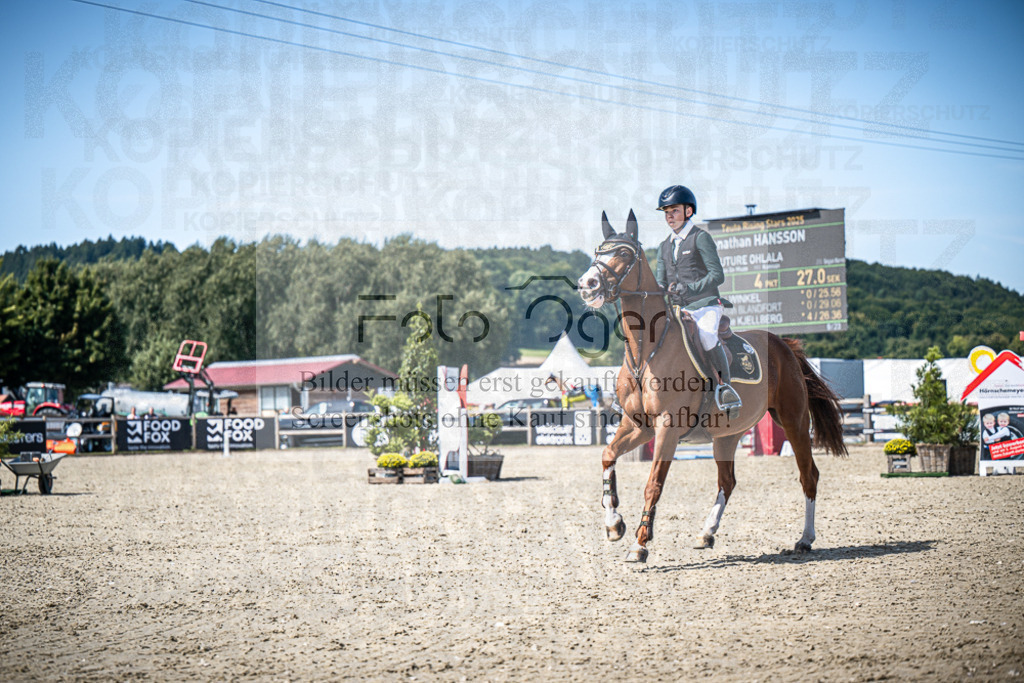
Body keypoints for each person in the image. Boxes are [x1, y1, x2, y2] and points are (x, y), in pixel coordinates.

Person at [654, 184, 741, 411]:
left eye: (674, 211)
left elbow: (717, 275)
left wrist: (690, 289)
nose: (669, 216)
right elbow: (661, 282)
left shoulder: (700, 238)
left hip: (705, 305)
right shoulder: (664, 246)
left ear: (688, 211)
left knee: (706, 336)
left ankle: (725, 388)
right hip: (678, 310)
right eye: (666, 212)